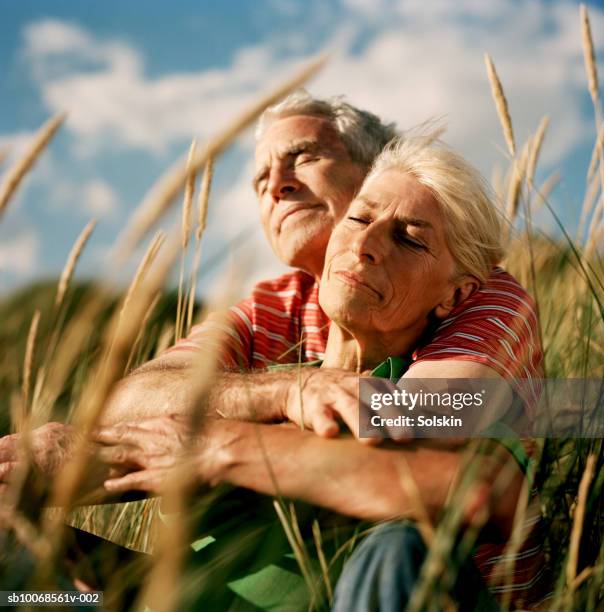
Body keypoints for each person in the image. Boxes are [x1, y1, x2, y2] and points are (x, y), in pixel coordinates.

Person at [94, 135, 547, 610]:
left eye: (409, 238)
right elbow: (122, 410)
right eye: (360, 218)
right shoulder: (272, 337)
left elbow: (438, 446)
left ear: (456, 295)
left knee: (397, 550)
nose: (367, 245)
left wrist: (214, 443)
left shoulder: (476, 356)